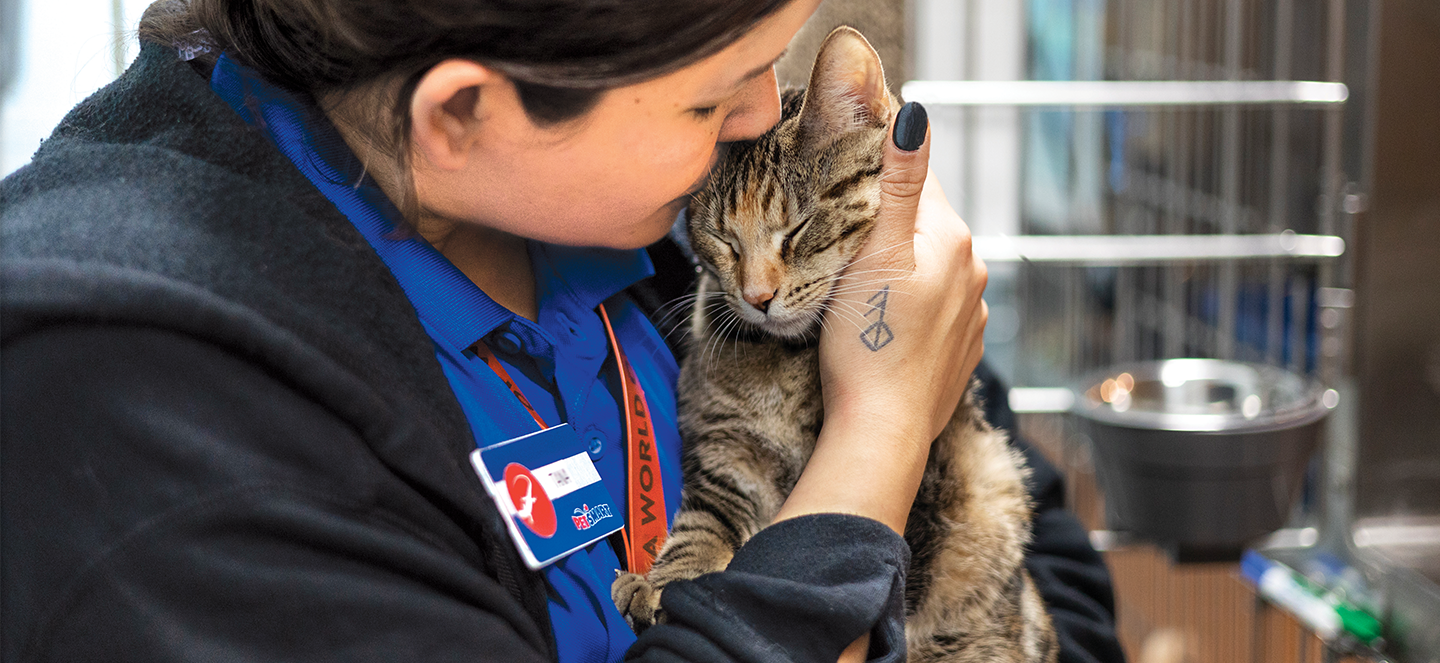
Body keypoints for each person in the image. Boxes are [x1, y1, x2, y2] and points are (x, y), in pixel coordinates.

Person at [0, 0, 1124, 661]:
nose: (757, 119)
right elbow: (904, 419)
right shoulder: (149, 421)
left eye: (770, 69)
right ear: (461, 115)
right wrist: (876, 438)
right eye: (710, 97)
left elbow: (1024, 529)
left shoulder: (623, 206)